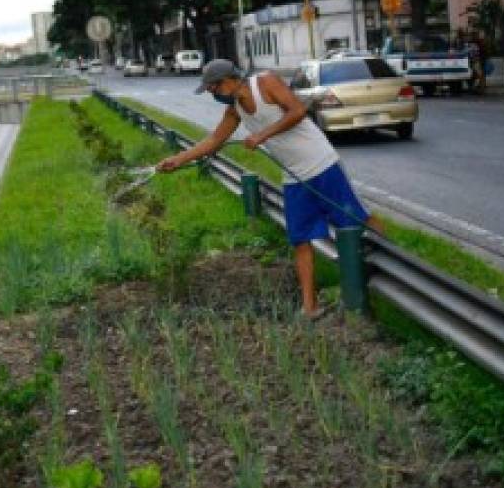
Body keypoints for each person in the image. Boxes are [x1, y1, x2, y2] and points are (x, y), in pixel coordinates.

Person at [156, 59, 385, 318]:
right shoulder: (235, 110)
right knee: (299, 239)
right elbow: (214, 140)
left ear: (227, 81)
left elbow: (297, 111)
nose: (213, 95)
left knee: (355, 221)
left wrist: (262, 135)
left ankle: (390, 260)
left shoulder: (265, 83)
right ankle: (309, 308)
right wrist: (177, 160)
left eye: (212, 89)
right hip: (293, 175)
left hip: (321, 164)